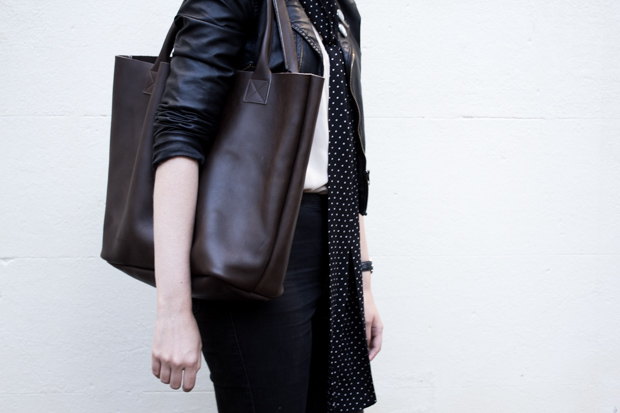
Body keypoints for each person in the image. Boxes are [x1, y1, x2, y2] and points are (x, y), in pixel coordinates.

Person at [148, 0, 382, 411]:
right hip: (251, 239)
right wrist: (172, 311)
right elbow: (179, 135)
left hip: (333, 237)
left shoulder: (338, 8)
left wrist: (360, 279)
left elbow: (344, 152)